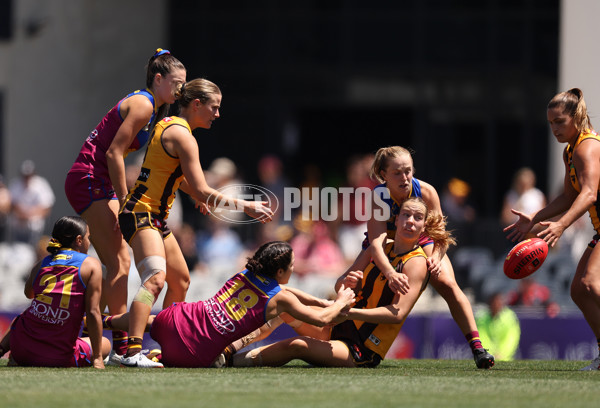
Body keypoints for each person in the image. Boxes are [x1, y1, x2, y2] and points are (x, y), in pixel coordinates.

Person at [118, 78, 274, 367]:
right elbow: (201, 188)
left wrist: (198, 197)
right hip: (141, 213)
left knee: (180, 280)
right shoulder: (183, 136)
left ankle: (166, 345)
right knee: (155, 279)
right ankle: (130, 352)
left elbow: (175, 177)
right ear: (197, 105)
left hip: (153, 216)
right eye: (214, 108)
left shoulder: (170, 125)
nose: (218, 114)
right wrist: (246, 205)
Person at [229, 197, 454, 368]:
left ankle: (233, 363)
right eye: (406, 215)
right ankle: (229, 350)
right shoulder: (380, 246)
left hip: (361, 347)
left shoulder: (416, 263)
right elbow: (340, 285)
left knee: (297, 346)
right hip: (339, 324)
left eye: (417, 218)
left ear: (424, 226)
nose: (410, 221)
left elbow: (397, 313)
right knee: (283, 308)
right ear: (396, 219)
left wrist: (349, 313)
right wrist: (347, 283)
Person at [64, 49, 186, 364]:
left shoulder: (154, 108)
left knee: (118, 263)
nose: (179, 91)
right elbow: (113, 153)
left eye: (183, 85)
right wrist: (125, 201)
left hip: (96, 180)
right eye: (175, 84)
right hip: (90, 178)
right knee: (119, 262)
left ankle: (104, 334)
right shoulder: (145, 104)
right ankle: (123, 347)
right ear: (158, 79)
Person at [344, 146, 494, 368]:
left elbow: (440, 236)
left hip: (423, 240)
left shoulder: (426, 192)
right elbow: (376, 243)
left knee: (447, 284)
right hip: (386, 243)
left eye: (408, 171)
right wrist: (390, 273)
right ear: (383, 175)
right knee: (351, 281)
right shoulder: (378, 196)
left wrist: (435, 256)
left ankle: (478, 348)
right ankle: (338, 331)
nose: (404, 178)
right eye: (397, 173)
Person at [101, 241, 355, 367]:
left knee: (153, 322)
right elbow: (323, 319)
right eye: (290, 266)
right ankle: (153, 354)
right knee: (172, 349)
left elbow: (287, 290)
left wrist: (320, 300)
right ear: (279, 271)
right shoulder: (280, 299)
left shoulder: (245, 273)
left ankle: (103, 322)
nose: (293, 269)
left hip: (177, 318)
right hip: (193, 352)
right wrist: (340, 301)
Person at [504, 88, 600, 370]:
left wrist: (561, 224)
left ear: (576, 118)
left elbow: (590, 193)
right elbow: (570, 196)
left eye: (560, 121)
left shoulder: (587, 146)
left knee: (589, 284)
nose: (555, 128)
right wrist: (534, 218)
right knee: (579, 291)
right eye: (550, 123)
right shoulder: (571, 150)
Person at [0, 216, 110, 368]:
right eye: (88, 237)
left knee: (22, 318)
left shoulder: (41, 264)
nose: (89, 242)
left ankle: (3, 349)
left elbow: (29, 294)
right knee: (106, 344)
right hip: (59, 356)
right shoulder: (90, 264)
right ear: (79, 240)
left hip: (22, 351)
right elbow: (92, 312)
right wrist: (97, 359)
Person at [8, 159, 55, 245]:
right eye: (25, 175)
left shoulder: (41, 184)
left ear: (33, 174)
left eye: (29, 175)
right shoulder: (15, 184)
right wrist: (22, 213)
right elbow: (11, 204)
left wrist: (30, 213)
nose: (27, 178)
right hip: (18, 226)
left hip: (36, 227)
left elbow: (47, 206)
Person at [475, 292, 521, 361]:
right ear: (489, 304)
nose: (496, 305)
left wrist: (502, 354)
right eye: (494, 303)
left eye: (498, 303)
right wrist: (490, 354)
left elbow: (511, 338)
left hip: (506, 359)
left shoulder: (510, 317)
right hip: (486, 358)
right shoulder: (482, 318)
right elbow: (482, 337)